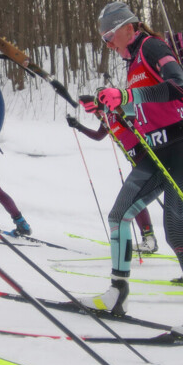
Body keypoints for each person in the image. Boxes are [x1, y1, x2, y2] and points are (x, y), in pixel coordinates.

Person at [78, 1, 183, 338]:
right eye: (104, 38)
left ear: (129, 27)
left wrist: (125, 95)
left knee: (176, 230)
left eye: (110, 35)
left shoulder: (152, 47)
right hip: (156, 150)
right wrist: (107, 107)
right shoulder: (132, 63)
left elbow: (179, 88)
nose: (108, 43)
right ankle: (117, 293)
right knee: (119, 215)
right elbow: (142, 109)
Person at [65, 107, 160, 254]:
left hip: (146, 160)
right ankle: (149, 239)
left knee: (134, 200)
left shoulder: (117, 115)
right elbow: (98, 136)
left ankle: (150, 240)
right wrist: (78, 126)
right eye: (94, 113)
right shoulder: (106, 121)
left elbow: (140, 125)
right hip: (136, 162)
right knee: (135, 201)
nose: (96, 115)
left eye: (97, 111)